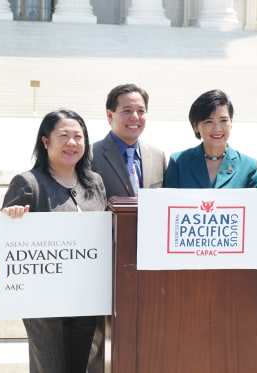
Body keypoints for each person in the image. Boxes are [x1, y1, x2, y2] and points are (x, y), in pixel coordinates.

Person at [2, 109, 108, 373]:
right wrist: (9, 218)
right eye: (64, 136)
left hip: (85, 302)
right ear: (45, 141)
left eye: (78, 136)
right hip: (44, 307)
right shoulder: (28, 183)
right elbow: (5, 241)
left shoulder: (94, 183)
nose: (72, 143)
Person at [88, 83, 166, 373]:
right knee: (101, 344)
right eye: (127, 111)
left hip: (148, 268)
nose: (135, 117)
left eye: (141, 111)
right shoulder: (90, 156)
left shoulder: (158, 156)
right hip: (104, 264)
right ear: (110, 115)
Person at [164, 89, 257, 188]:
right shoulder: (179, 163)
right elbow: (169, 201)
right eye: (209, 121)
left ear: (231, 122)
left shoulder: (248, 166)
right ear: (195, 127)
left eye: (223, 120)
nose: (217, 128)